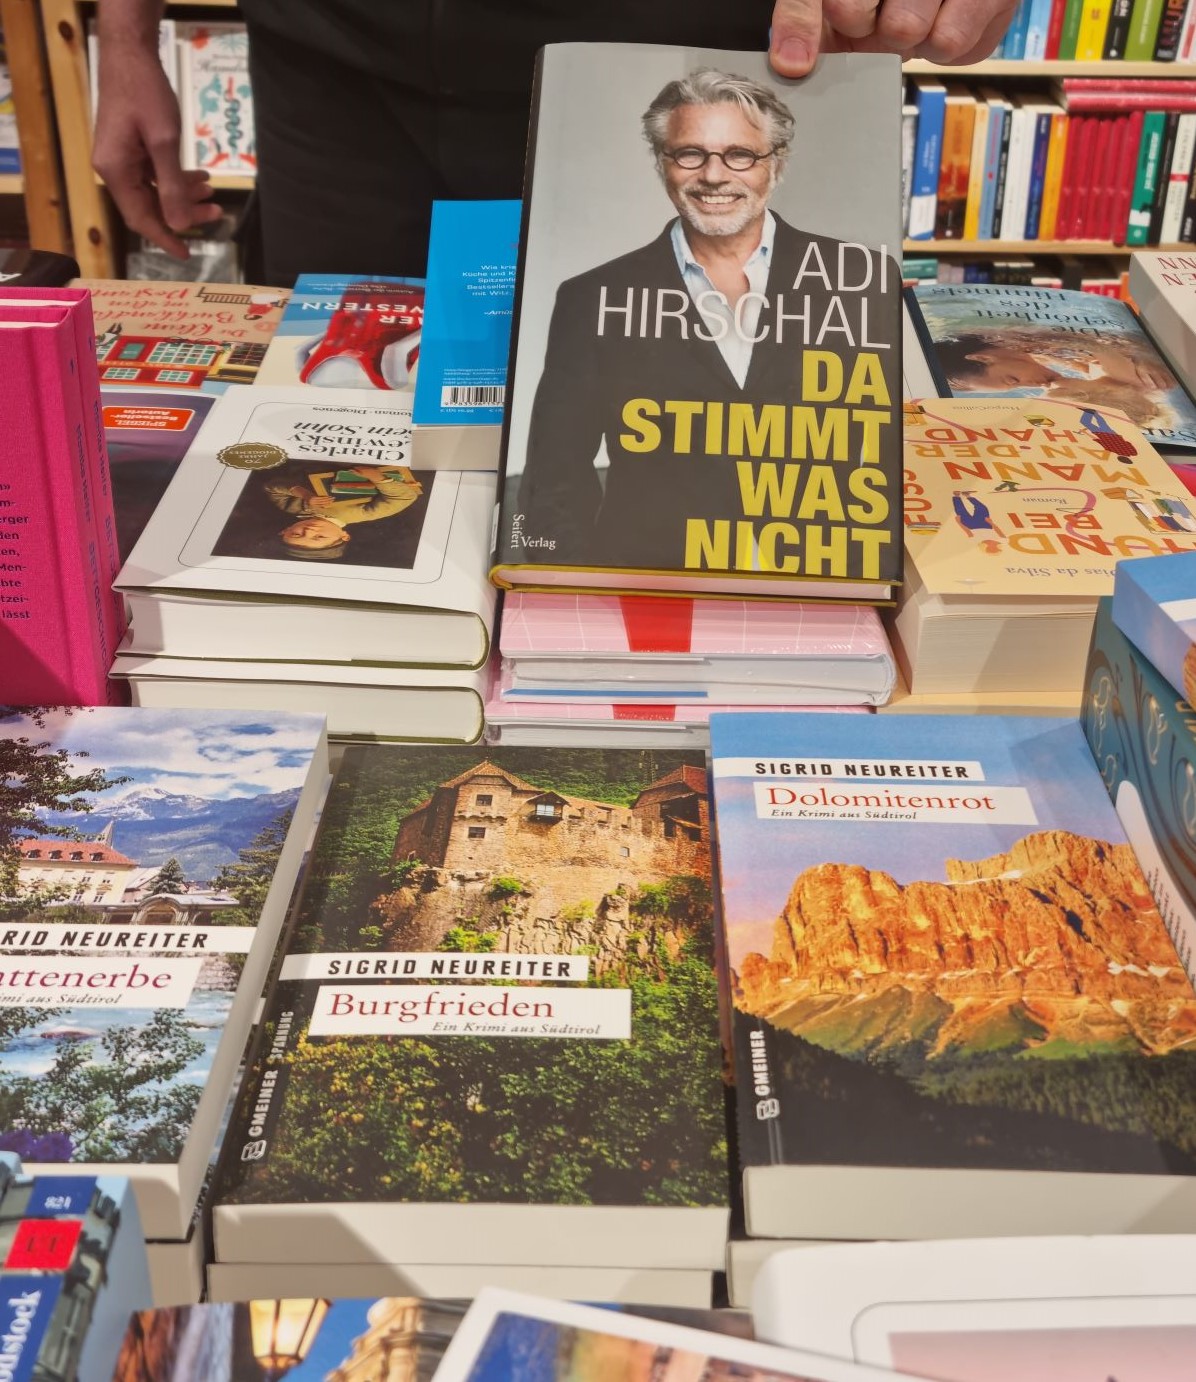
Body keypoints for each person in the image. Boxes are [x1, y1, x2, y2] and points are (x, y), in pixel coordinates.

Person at [93, 0, 1018, 283]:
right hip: (335, 65)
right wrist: (126, 38)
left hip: (684, 56)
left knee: (706, 443)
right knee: (335, 415)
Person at [512, 67, 902, 568]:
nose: (714, 176)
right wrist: (575, 588)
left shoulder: (861, 277)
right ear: (662, 162)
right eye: (690, 153)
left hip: (819, 573)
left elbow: (887, 452)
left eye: (740, 154)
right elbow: (556, 476)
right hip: (650, 579)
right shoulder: (591, 297)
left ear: (776, 163)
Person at [263, 464, 424, 558]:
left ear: (285, 530)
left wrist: (305, 494)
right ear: (344, 536)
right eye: (319, 537)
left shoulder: (291, 506)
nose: (309, 531)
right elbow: (404, 497)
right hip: (370, 464)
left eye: (297, 534)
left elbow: (271, 487)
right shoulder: (362, 514)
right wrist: (378, 478)